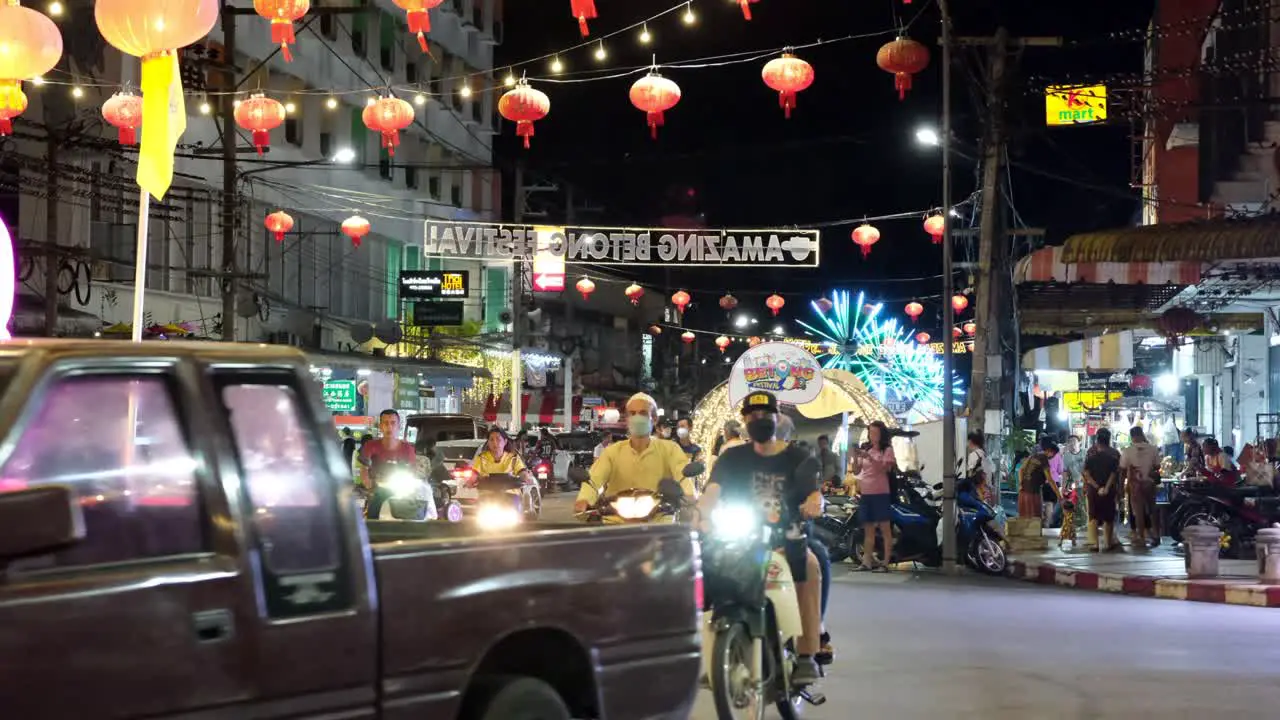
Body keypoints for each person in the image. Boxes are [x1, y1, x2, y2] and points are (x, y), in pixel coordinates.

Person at [697, 391, 824, 686]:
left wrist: (815, 502)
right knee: (711, 567)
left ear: (777, 418)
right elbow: (712, 493)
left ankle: (807, 655)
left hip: (786, 536)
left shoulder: (797, 456)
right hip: (741, 537)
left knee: (810, 566)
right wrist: (701, 514)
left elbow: (812, 490)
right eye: (753, 416)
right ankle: (718, 654)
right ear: (744, 421)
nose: (759, 421)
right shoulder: (731, 457)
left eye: (765, 415)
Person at [575, 393, 694, 514]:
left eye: (643, 413)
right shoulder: (612, 452)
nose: (637, 417)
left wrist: (690, 497)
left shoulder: (670, 449)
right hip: (616, 520)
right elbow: (594, 479)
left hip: (659, 519)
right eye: (632, 413)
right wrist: (584, 500)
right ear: (626, 419)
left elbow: (682, 476)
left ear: (654, 418)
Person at [851, 420, 897, 572]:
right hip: (866, 493)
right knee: (868, 529)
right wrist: (855, 457)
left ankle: (885, 563)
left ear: (881, 434)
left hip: (881, 493)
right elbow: (857, 471)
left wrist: (870, 458)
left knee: (885, 529)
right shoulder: (867, 449)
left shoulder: (886, 450)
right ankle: (866, 562)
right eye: (870, 432)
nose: (872, 436)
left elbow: (885, 468)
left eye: (875, 433)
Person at [357, 410, 419, 519]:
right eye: (385, 423)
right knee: (374, 509)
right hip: (378, 490)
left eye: (393, 423)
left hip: (401, 489)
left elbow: (413, 471)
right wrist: (368, 483)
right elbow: (364, 469)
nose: (389, 427)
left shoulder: (407, 449)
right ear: (381, 426)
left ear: (398, 426)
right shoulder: (371, 446)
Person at [1121, 426, 1162, 549]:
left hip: (1135, 485)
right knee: (1152, 509)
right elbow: (1157, 466)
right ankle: (1156, 535)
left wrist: (1121, 487)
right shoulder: (1153, 449)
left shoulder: (1128, 451)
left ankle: (1142, 538)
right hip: (1149, 484)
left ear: (1132, 437)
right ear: (1142, 434)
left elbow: (1122, 468)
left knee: (1138, 512)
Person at [1083, 428, 1121, 552]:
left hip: (1093, 490)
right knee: (1108, 517)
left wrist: (1096, 487)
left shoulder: (1091, 452)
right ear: (1109, 439)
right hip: (1109, 490)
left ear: (1097, 439)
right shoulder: (1114, 454)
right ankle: (1108, 543)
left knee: (1093, 516)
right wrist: (1107, 488)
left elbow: (1086, 473)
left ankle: (1095, 544)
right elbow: (1114, 474)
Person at [1018, 441, 1058, 521]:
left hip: (1023, 492)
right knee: (1035, 520)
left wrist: (1021, 483)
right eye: (1054, 454)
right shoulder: (1044, 459)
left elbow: (1021, 470)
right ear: (1050, 451)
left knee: (1024, 519)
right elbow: (1050, 479)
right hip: (1033, 492)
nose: (1053, 457)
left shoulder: (1033, 456)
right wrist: (1059, 496)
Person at [957, 431, 992, 504]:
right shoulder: (984, 454)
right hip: (985, 488)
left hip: (976, 489)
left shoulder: (973, 455)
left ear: (971, 441)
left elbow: (970, 474)